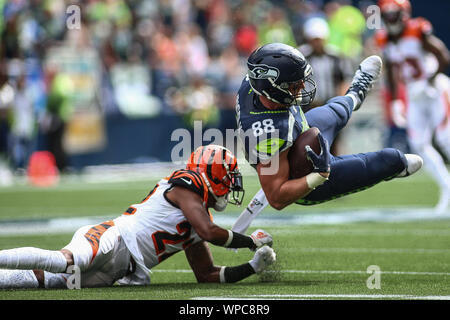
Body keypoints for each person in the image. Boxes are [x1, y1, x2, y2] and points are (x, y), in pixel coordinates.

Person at [0, 145, 276, 289]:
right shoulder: (188, 181)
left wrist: (252, 266)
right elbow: (208, 232)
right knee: (63, 261)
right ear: (210, 172)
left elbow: (207, 275)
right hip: (115, 238)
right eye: (227, 176)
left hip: (121, 270)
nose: (230, 184)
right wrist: (250, 241)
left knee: (46, 281)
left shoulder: (197, 217)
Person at [232, 42, 423, 233]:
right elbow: (276, 198)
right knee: (392, 159)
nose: (302, 86)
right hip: (303, 178)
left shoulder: (254, 85)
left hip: (297, 134)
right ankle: (394, 167)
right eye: (293, 85)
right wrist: (319, 175)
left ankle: (356, 93)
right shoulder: (268, 133)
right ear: (271, 88)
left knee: (335, 112)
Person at [375, 0, 450, 214]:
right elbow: (390, 71)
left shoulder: (417, 30)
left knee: (446, 139)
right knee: (418, 144)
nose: (390, 19)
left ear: (404, 13)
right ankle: (447, 188)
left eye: (393, 14)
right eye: (386, 14)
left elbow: (443, 55)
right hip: (413, 94)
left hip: (435, 90)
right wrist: (395, 100)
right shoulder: (384, 38)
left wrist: (431, 79)